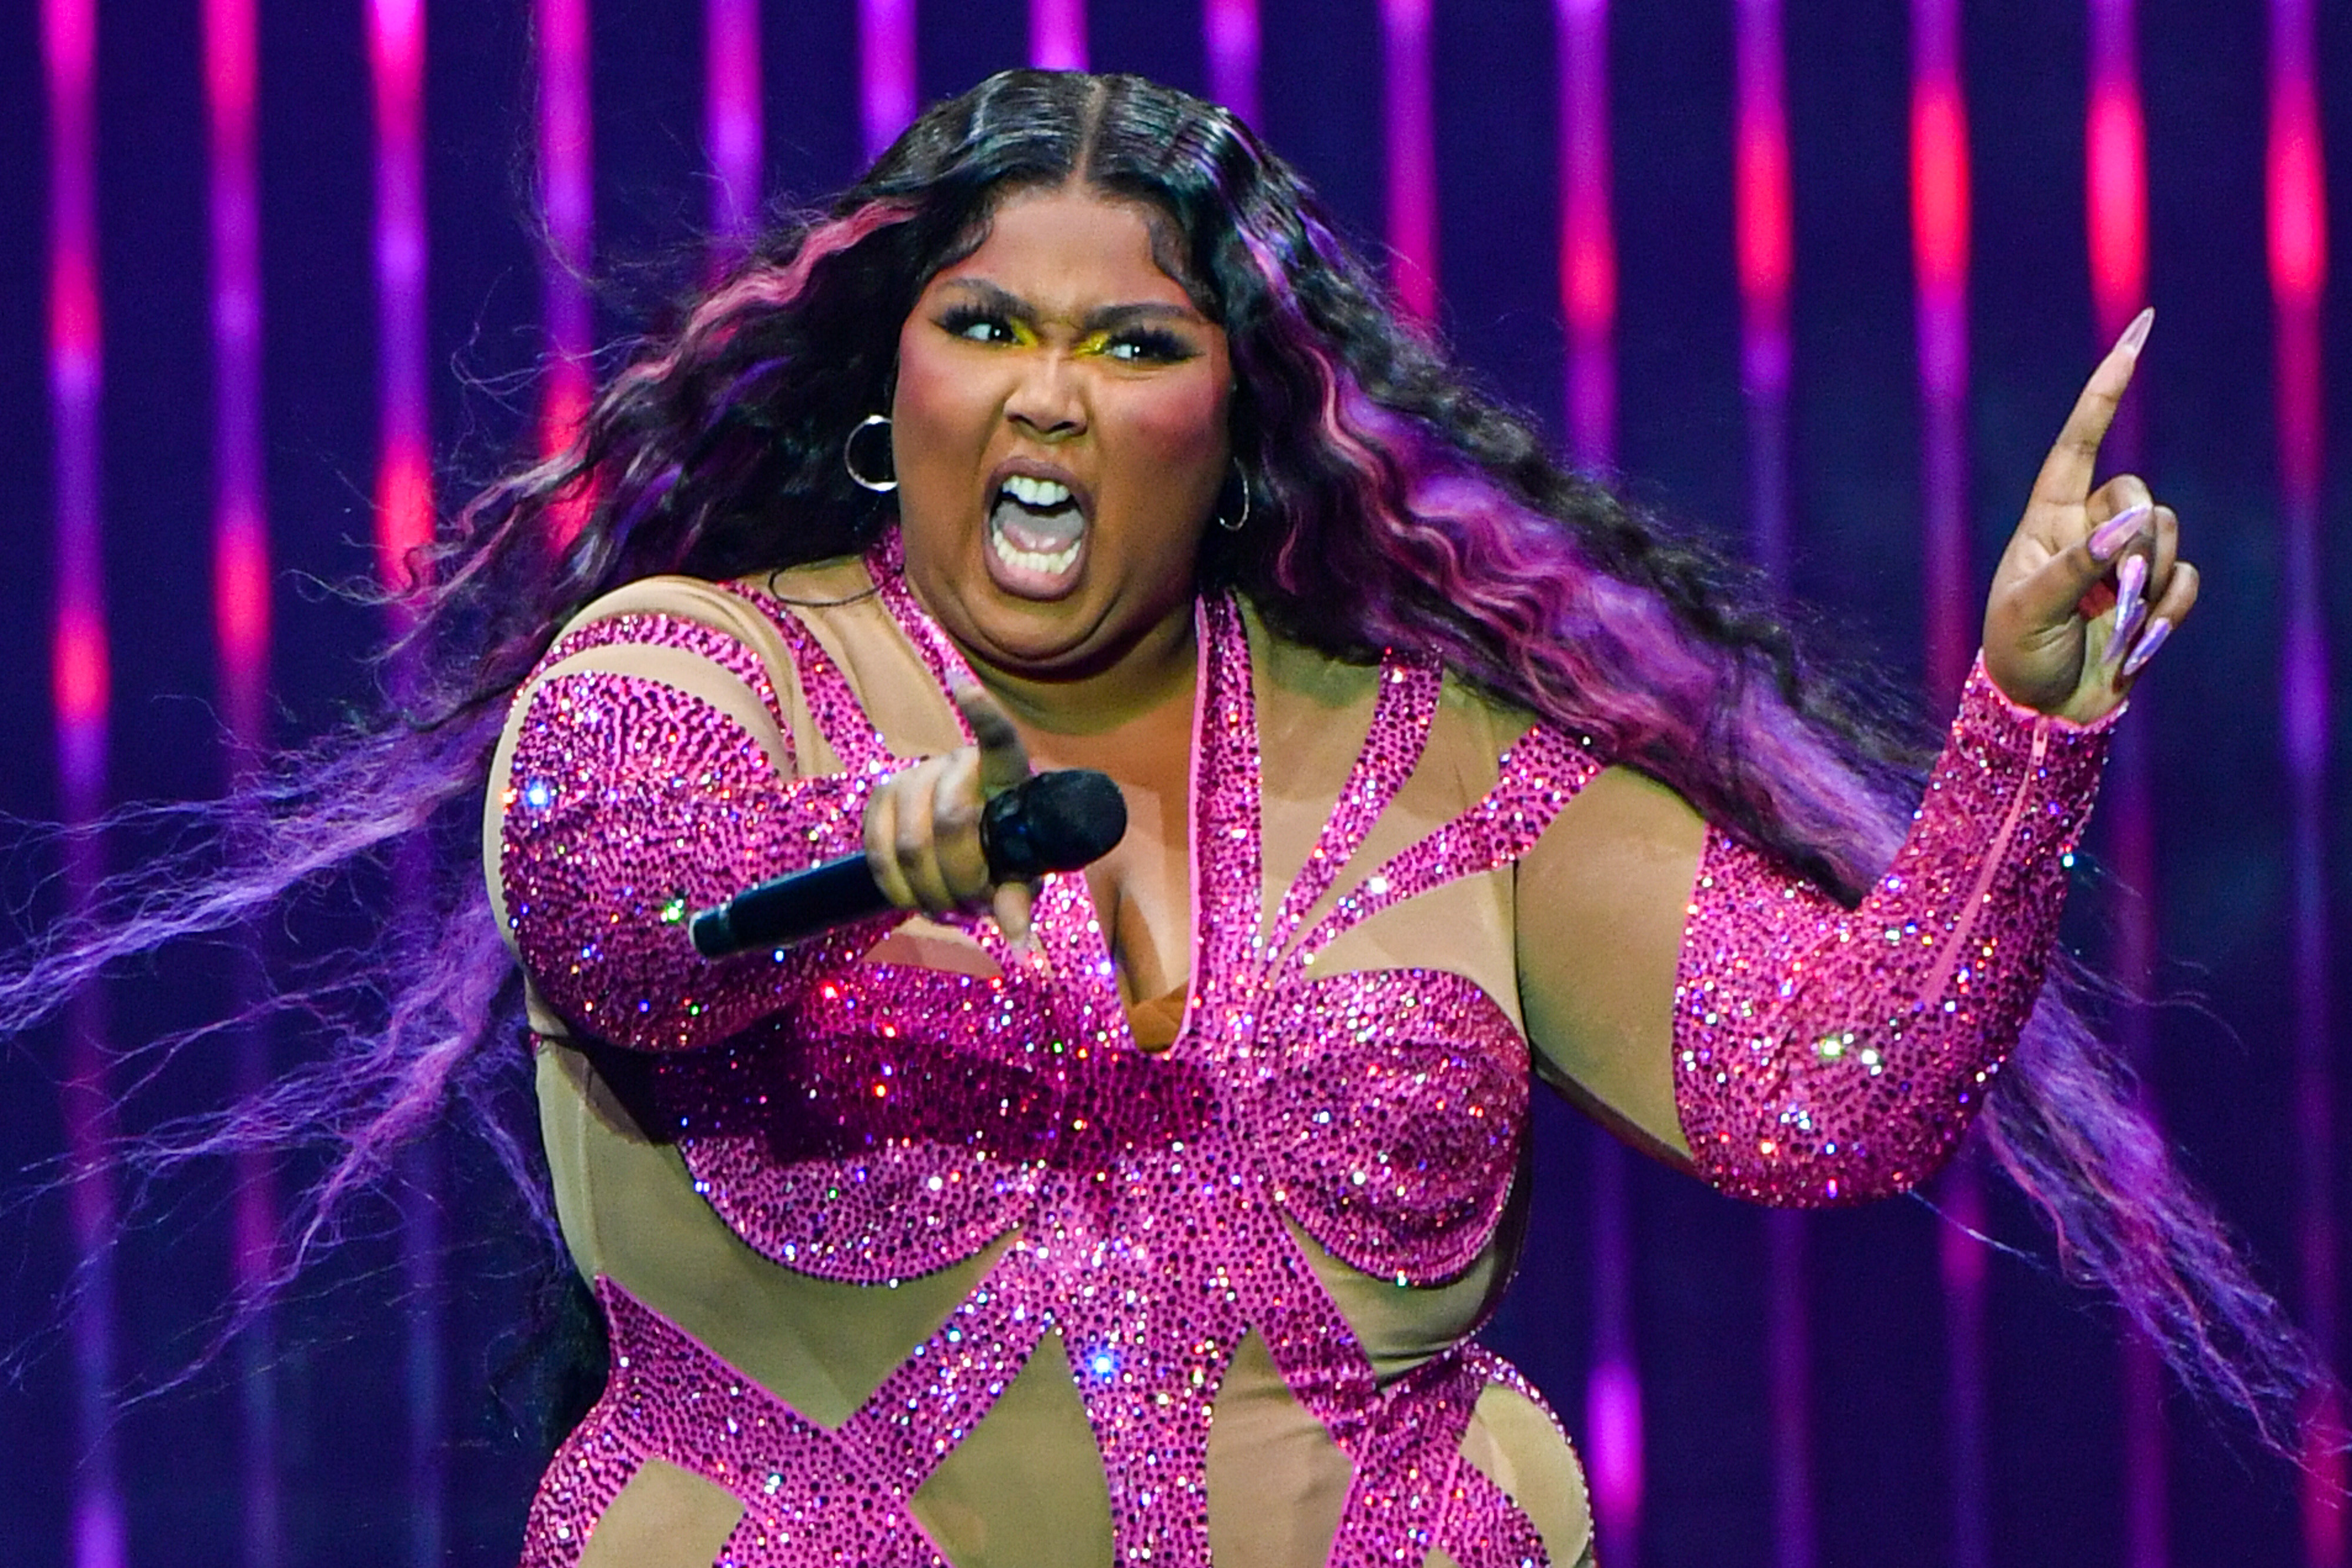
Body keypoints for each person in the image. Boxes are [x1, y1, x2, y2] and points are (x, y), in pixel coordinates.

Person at [4, 65, 2311, 1568]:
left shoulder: (1447, 773)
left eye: (1131, 345)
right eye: (986, 323)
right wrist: (870, 862)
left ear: (1242, 415)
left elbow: (1837, 1084)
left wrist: (2022, 720)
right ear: (886, 373)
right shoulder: (698, 674)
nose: (1048, 390)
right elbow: (617, 919)